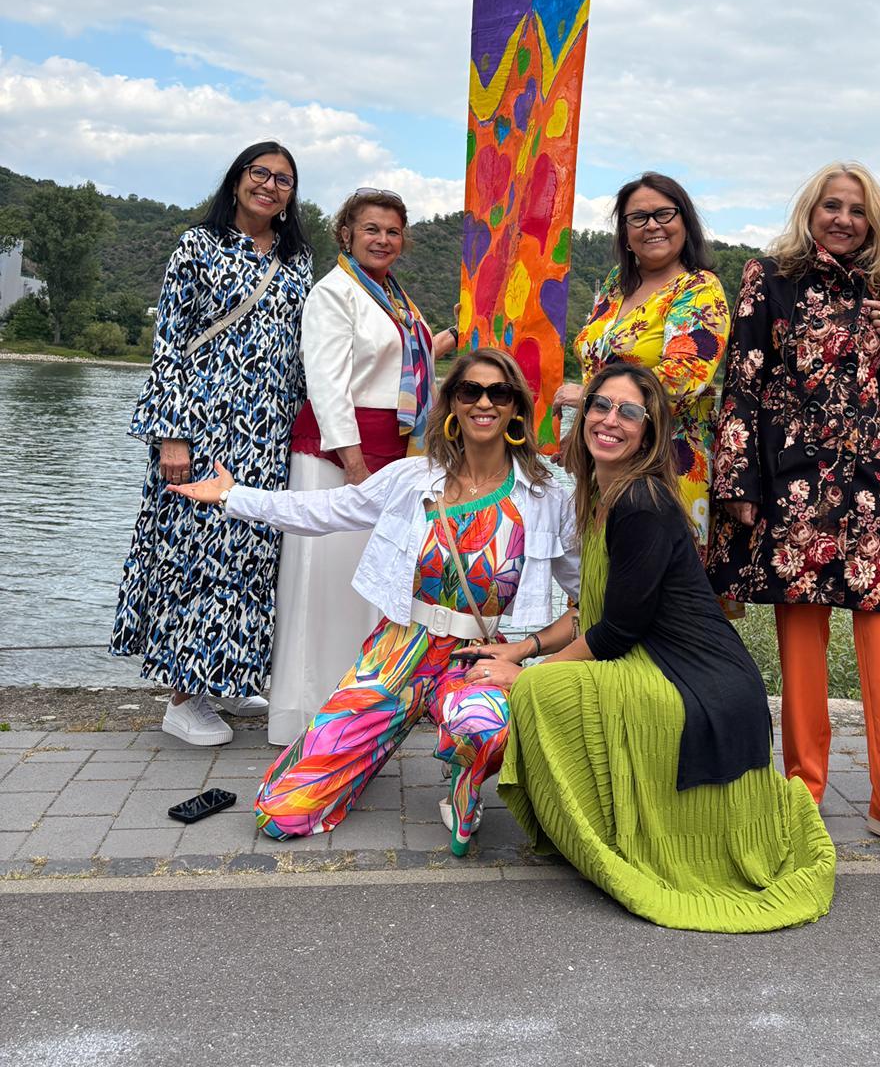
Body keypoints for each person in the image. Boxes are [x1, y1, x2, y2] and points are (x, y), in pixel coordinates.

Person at [473, 362, 835, 932]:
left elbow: (615, 633)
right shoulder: (601, 497)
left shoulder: (640, 502)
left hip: (696, 682)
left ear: (649, 431)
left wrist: (530, 674)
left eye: (629, 412)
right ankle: (607, 823)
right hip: (661, 660)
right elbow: (586, 614)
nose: (609, 420)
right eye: (600, 406)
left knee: (545, 693)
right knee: (540, 680)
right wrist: (516, 653)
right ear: (583, 414)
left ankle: (612, 836)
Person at [172, 348, 577, 855]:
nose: (484, 403)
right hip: (399, 649)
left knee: (486, 730)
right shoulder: (413, 479)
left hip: (477, 656)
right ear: (452, 402)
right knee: (281, 813)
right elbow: (327, 510)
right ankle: (363, 754)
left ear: (516, 407)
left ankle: (464, 783)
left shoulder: (547, 497)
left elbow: (584, 604)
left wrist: (528, 651)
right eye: (470, 391)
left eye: (499, 393)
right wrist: (235, 497)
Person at [707, 162, 880, 865]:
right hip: (795, 492)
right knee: (803, 657)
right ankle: (802, 797)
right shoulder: (771, 277)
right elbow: (743, 384)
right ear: (812, 211)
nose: (844, 219)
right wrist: (738, 481)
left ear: (873, 222)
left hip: (871, 491)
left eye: (857, 210)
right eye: (832, 206)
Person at [110, 141, 312, 747]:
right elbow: (169, 342)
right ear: (237, 179)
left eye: (283, 180)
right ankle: (181, 697)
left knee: (249, 554)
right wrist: (170, 433)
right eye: (261, 173)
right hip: (203, 426)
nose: (270, 186)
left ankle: (223, 674)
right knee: (194, 554)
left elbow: (307, 351)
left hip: (268, 432)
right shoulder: (196, 247)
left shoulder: (298, 260)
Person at [269, 187, 458, 746]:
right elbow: (327, 381)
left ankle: (360, 702)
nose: (382, 239)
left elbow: (398, 362)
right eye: (371, 228)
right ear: (346, 232)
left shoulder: (393, 296)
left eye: (393, 231)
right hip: (342, 448)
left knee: (371, 582)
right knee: (328, 578)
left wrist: (444, 340)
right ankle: (307, 710)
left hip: (394, 445)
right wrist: (352, 463)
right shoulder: (334, 292)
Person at [555, 171, 729, 551]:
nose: (652, 226)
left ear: (685, 222)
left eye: (664, 214)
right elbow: (596, 362)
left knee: (651, 589)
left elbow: (682, 379)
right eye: (638, 217)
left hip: (665, 464)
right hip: (607, 459)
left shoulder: (698, 288)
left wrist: (590, 398)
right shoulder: (617, 285)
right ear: (625, 231)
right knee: (597, 586)